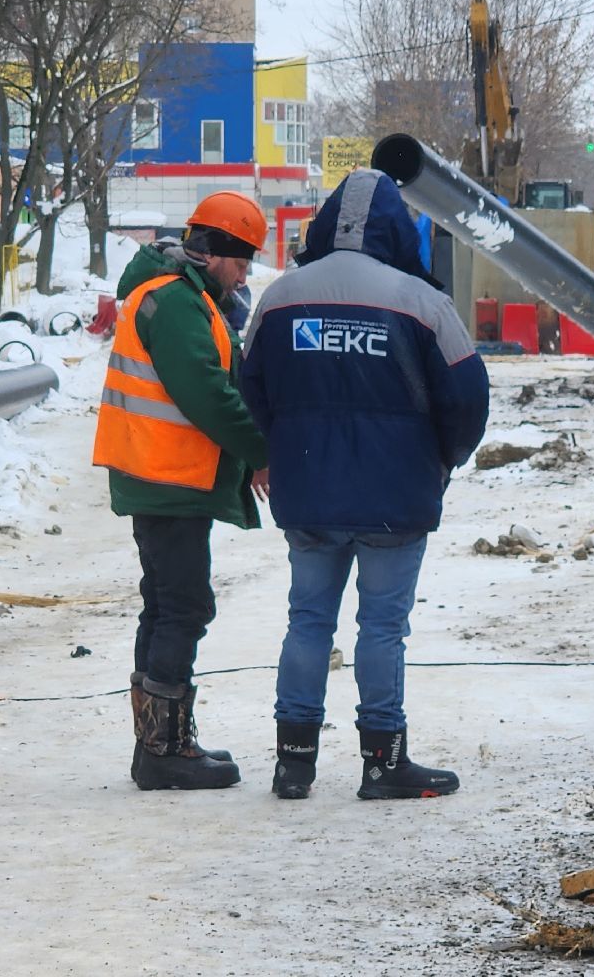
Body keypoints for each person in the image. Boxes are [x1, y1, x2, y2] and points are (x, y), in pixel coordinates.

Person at [241, 168, 490, 801]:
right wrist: (441, 461)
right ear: (396, 230)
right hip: (395, 499)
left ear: (325, 224)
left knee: (307, 622)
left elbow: (250, 390)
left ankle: (293, 763)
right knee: (382, 628)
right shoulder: (423, 303)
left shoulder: (280, 298)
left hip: (309, 495)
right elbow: (469, 400)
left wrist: (277, 452)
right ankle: (384, 763)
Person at [92, 190, 270, 791]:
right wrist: (260, 453)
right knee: (185, 606)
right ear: (215, 250)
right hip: (165, 476)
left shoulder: (183, 295)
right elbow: (206, 394)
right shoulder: (173, 303)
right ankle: (165, 749)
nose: (244, 274)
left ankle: (161, 745)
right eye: (242, 261)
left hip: (163, 474)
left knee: (166, 605)